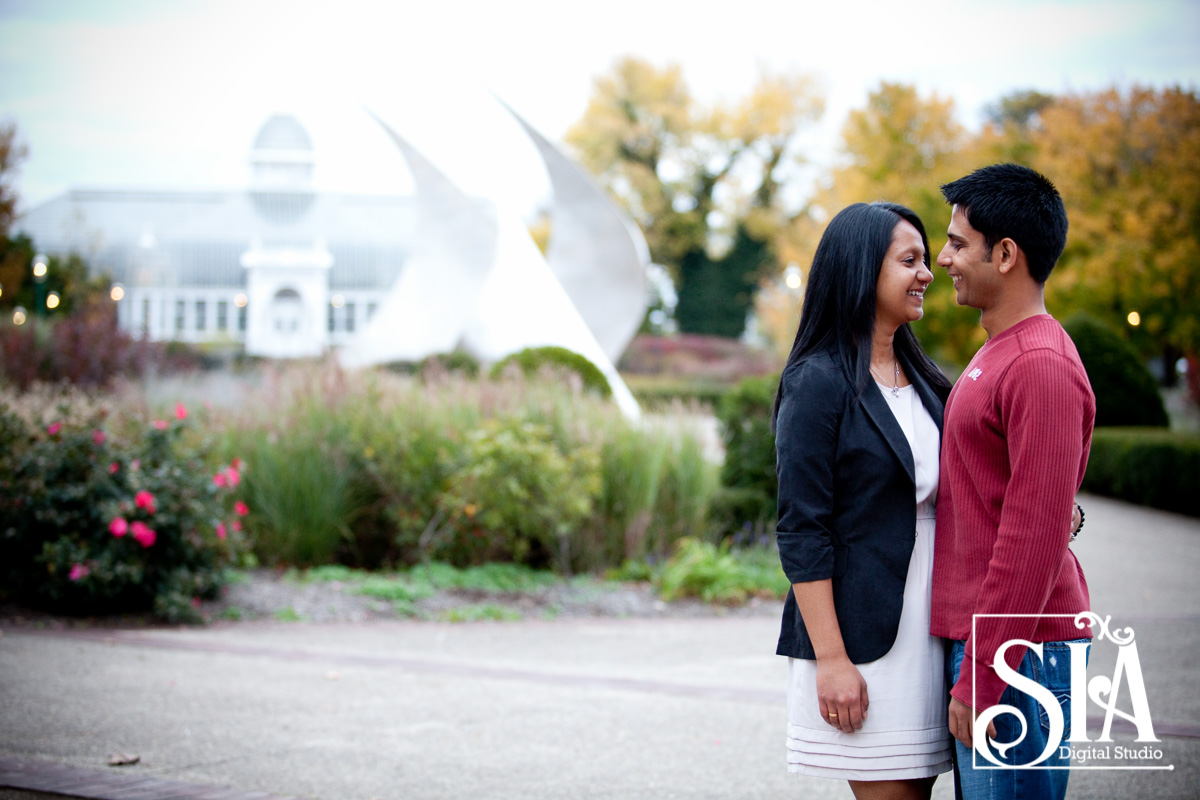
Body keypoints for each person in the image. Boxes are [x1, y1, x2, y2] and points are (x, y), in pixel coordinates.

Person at [773, 201, 955, 800]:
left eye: (926, 260)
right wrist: (831, 660)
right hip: (861, 639)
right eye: (910, 261)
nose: (927, 273)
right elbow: (802, 530)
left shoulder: (926, 378)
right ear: (861, 272)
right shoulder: (817, 382)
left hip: (934, 629)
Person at [930, 163, 1095, 800]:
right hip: (992, 648)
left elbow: (1032, 537)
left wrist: (982, 679)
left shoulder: (1039, 365)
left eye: (956, 243)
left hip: (1018, 656)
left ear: (1005, 254)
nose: (944, 258)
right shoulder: (999, 350)